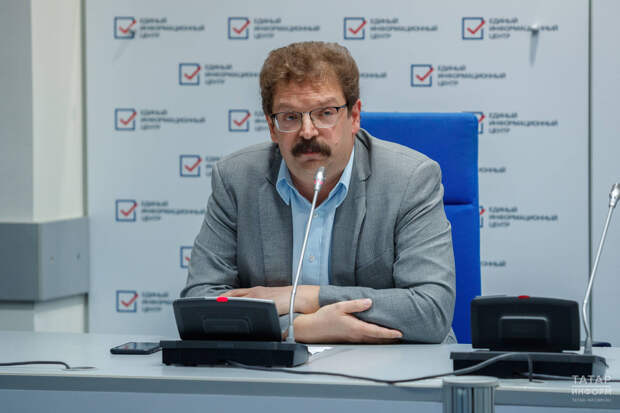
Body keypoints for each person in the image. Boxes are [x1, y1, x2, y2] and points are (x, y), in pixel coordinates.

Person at [181, 41, 456, 344]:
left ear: (354, 116)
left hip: (393, 364)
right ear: (272, 127)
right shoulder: (236, 180)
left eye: (325, 113)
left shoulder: (409, 180)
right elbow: (200, 303)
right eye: (290, 116)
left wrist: (306, 297)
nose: (308, 131)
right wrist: (299, 328)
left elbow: (431, 311)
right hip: (277, 368)